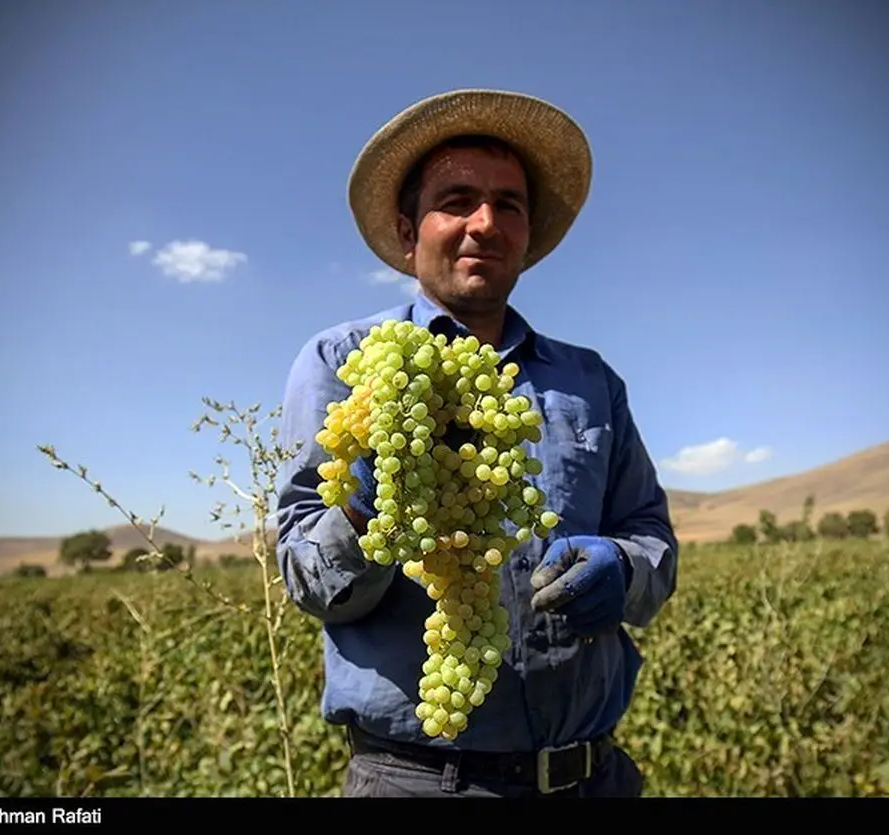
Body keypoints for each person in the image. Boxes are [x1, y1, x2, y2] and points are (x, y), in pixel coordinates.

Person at [275, 88, 679, 798]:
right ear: (409, 230)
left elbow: (652, 536)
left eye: (509, 204)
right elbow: (308, 577)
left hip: (593, 779)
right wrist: (368, 516)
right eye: (457, 199)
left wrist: (623, 565)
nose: (484, 222)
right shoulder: (346, 362)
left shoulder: (592, 382)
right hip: (417, 783)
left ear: (526, 233)